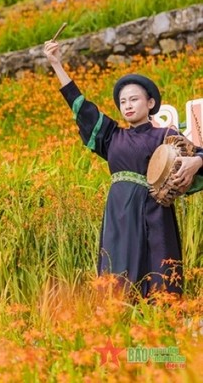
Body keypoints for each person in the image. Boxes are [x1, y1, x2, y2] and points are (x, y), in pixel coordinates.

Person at [43, 40, 203, 297]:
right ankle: (120, 318)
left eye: (134, 99)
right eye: (123, 101)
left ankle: (163, 316)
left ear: (150, 103)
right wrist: (56, 64)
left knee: (159, 268)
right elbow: (81, 108)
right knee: (117, 272)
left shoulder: (165, 135)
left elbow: (196, 155)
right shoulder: (111, 137)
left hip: (154, 212)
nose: (127, 105)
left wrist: (197, 161)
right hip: (119, 214)